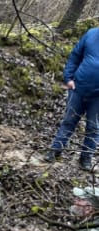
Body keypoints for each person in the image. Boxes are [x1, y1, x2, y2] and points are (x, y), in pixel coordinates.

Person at [44, 27, 99, 171]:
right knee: (69, 121)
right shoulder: (91, 34)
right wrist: (68, 78)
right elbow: (75, 56)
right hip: (78, 88)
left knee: (93, 127)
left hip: (97, 97)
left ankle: (86, 158)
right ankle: (55, 150)